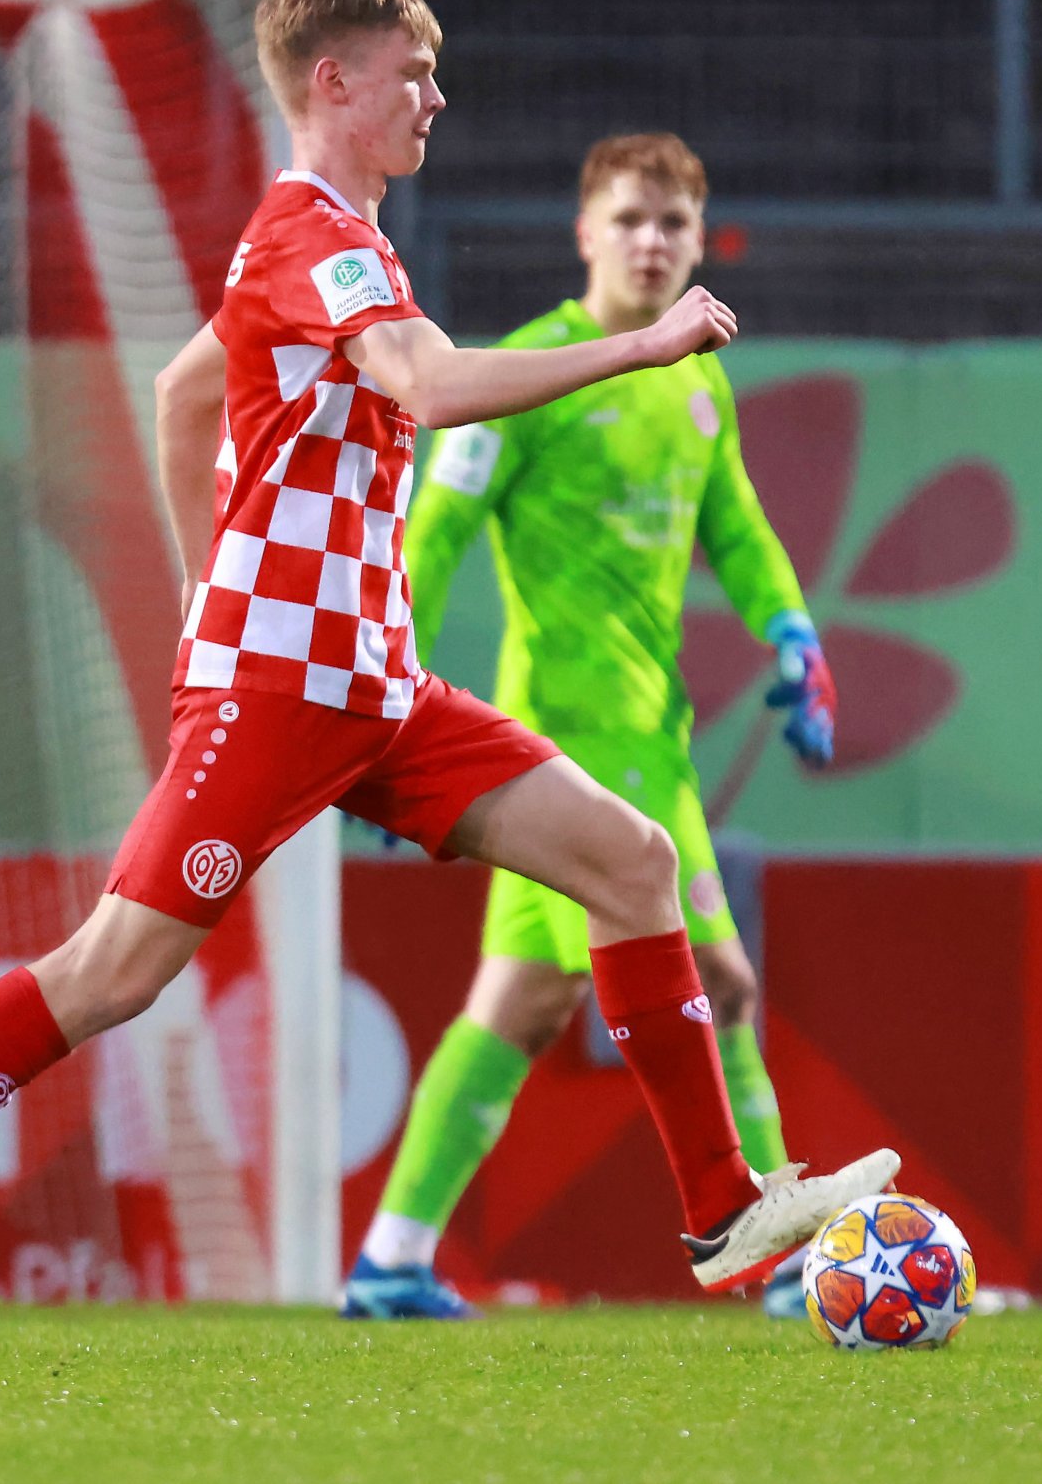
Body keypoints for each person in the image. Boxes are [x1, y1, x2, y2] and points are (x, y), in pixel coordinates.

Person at [0, 0, 894, 1357]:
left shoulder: (330, 245)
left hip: (378, 691)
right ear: (333, 84)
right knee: (112, 974)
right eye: (413, 74)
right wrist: (643, 345)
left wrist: (194, 590)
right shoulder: (310, 231)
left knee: (634, 862)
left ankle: (721, 1209)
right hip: (280, 695)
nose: (437, 99)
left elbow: (182, 399)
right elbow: (431, 382)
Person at [341, 133, 841, 1323]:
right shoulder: (525, 373)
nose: (653, 243)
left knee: (518, 1000)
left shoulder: (698, 381)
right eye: (630, 221)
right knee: (719, 981)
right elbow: (432, 535)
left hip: (649, 737)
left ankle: (391, 1260)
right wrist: (381, 693)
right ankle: (783, 1260)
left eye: (674, 225)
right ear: (585, 236)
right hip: (568, 741)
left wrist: (792, 631)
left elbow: (741, 530)